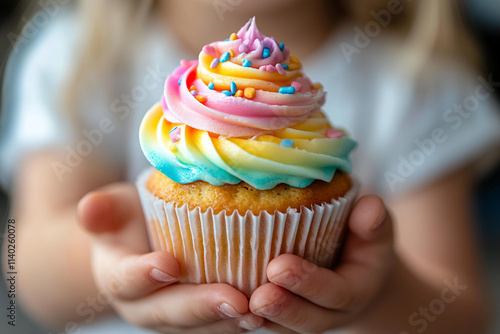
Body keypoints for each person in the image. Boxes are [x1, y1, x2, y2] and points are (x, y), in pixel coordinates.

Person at [1, 0, 499, 333]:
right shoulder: (77, 60)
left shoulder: (421, 86)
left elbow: (461, 315)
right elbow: (25, 270)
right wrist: (100, 266)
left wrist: (381, 291)